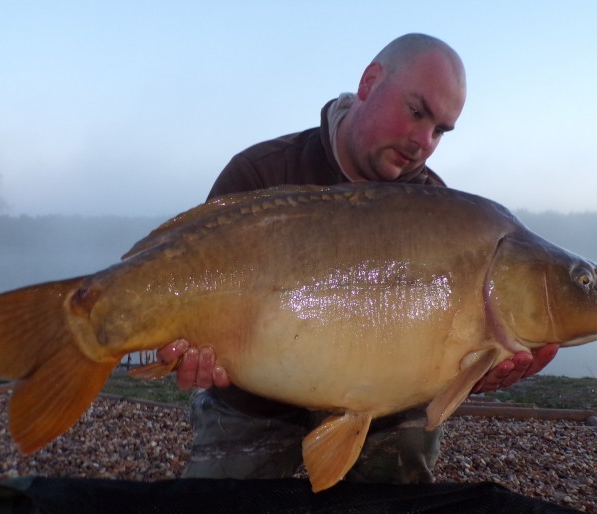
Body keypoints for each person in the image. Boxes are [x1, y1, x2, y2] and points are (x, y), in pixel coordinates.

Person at [157, 33, 558, 483]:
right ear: (369, 82)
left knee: (395, 490)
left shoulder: (440, 213)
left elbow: (449, 349)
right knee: (220, 512)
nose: (424, 141)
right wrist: (190, 351)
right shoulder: (262, 172)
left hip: (382, 403)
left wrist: (476, 371)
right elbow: (190, 289)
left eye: (440, 130)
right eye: (417, 112)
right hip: (255, 396)